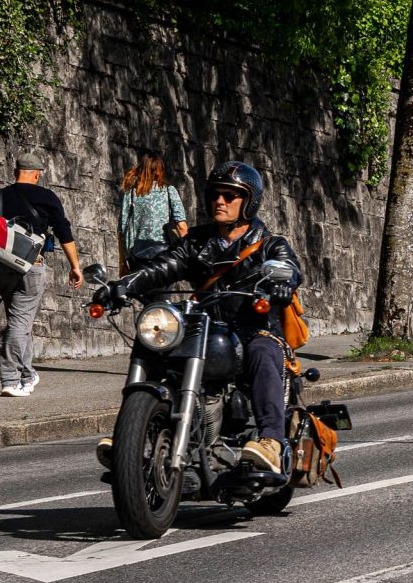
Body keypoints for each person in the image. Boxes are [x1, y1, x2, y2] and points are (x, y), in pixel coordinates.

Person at [111, 160, 304, 475]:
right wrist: (123, 284)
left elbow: (290, 267)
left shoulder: (270, 245)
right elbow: (163, 266)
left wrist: (283, 284)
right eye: (216, 194)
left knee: (263, 350)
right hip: (204, 328)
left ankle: (271, 439)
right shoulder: (196, 242)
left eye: (230, 195)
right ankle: (130, 434)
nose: (220, 201)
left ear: (248, 201)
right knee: (155, 340)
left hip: (252, 330)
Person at [0, 155, 85, 397]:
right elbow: (64, 232)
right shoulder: (46, 197)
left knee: (20, 320)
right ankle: (10, 380)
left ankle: (27, 374)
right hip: (31, 266)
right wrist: (75, 265)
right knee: (20, 322)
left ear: (16, 172)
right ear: (37, 173)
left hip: (1, 265)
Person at [118, 156, 187, 272]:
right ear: (159, 172)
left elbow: (122, 231)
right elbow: (181, 226)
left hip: (137, 255)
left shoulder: (131, 193)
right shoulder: (169, 191)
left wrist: (122, 263)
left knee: (141, 289)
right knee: (163, 289)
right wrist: (187, 255)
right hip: (164, 253)